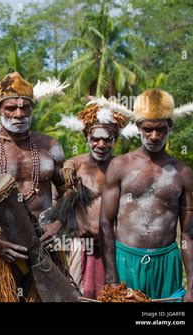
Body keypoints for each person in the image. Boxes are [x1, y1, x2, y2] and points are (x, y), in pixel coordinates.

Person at [0, 72, 69, 301]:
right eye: (11, 108)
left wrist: (57, 225)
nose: (19, 114)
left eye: (25, 107)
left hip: (45, 247)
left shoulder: (50, 146)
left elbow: (69, 195)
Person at [99, 89, 193, 301]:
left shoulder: (182, 173)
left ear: (170, 127)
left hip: (166, 262)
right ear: (138, 128)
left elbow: (188, 234)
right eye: (148, 129)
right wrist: (111, 277)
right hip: (126, 259)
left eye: (161, 129)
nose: (154, 136)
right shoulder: (120, 165)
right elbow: (106, 223)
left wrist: (192, 289)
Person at [55, 97, 130, 298]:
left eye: (107, 139)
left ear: (115, 139)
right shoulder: (74, 166)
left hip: (116, 249)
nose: (101, 144)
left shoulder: (124, 167)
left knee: (116, 295)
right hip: (82, 246)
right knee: (81, 295)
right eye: (95, 138)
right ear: (87, 137)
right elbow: (59, 204)